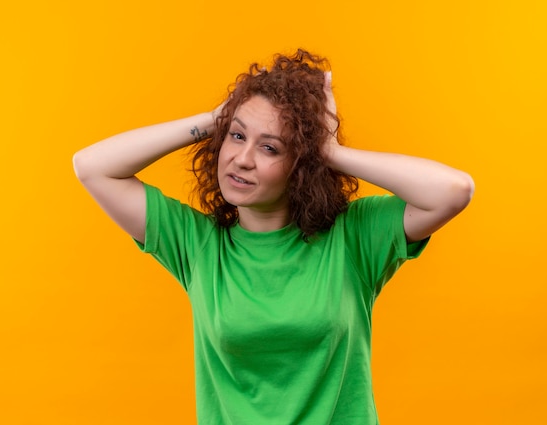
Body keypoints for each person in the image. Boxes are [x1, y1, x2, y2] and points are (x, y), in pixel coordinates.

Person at [73, 49, 474, 424]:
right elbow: (91, 166)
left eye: (270, 148)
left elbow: (453, 191)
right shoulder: (198, 244)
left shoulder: (352, 238)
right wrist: (218, 118)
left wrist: (330, 152)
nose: (242, 159)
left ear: (301, 167)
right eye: (236, 136)